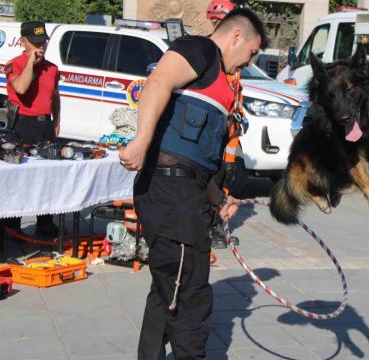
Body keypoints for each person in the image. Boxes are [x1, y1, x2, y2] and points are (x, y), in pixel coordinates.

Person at [118, 8, 267, 359]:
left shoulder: (221, 78)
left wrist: (218, 198)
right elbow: (158, 82)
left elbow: (198, 161)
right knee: (191, 297)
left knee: (168, 288)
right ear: (236, 37)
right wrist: (141, 140)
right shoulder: (200, 50)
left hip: (183, 192)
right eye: (251, 52)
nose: (249, 61)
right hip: (171, 195)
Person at [0, 21, 60, 237]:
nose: (40, 46)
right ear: (23, 41)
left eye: (43, 42)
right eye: (35, 43)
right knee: (18, 176)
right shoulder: (14, 64)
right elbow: (21, 88)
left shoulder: (52, 68)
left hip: (45, 125)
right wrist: (31, 63)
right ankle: (11, 222)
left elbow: (55, 96)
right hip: (23, 124)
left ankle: (45, 222)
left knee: (48, 176)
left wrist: (57, 120)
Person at [206, 0, 243, 249]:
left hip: (231, 129)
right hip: (215, 127)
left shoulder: (234, 53)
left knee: (226, 176)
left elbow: (237, 89)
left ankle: (219, 225)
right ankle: (210, 226)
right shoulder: (209, 51)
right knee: (210, 177)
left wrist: (240, 114)